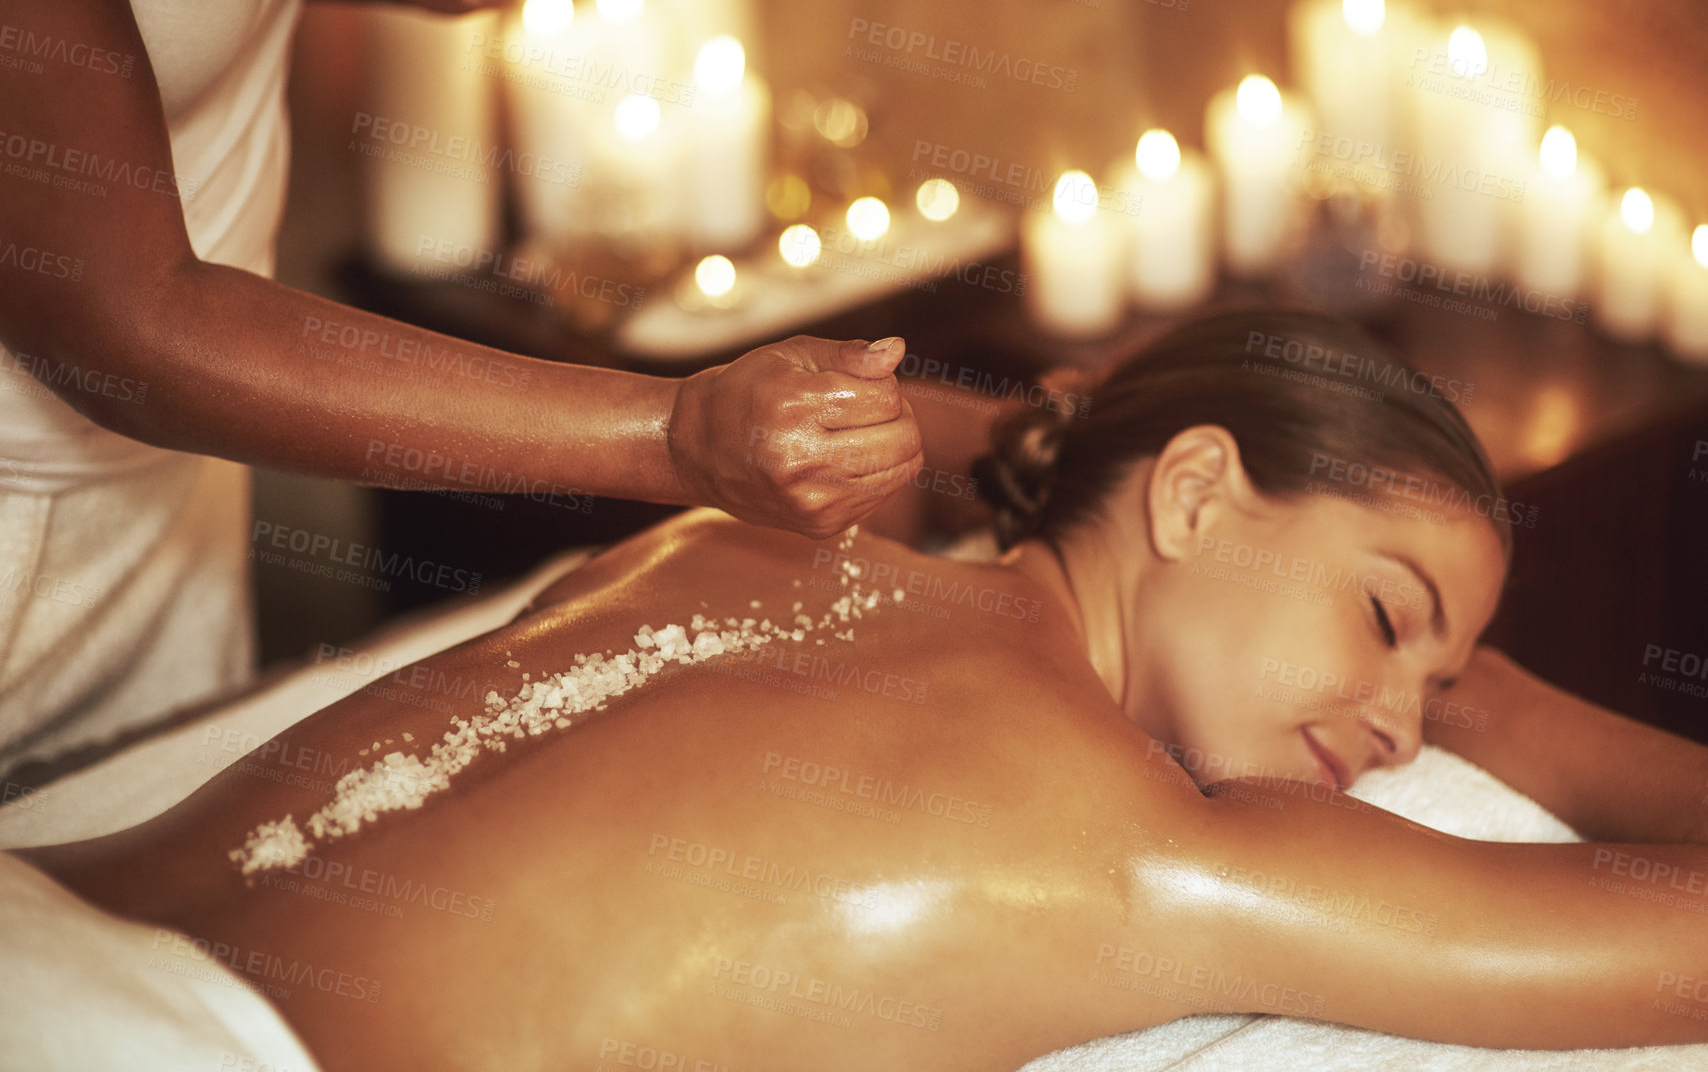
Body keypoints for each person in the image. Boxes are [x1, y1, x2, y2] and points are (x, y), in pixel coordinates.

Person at [21, 309, 1708, 1070]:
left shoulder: (717, 547)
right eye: (1392, 616)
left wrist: (1424, 663)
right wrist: (1509, 711)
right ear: (1193, 494)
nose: (1406, 717)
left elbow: (1026, 454)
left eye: (1439, 682)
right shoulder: (1128, 840)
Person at [0, 0, 923, 775]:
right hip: (29, 510)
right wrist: (671, 431)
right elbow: (128, 321)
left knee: (142, 850)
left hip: (173, 488)